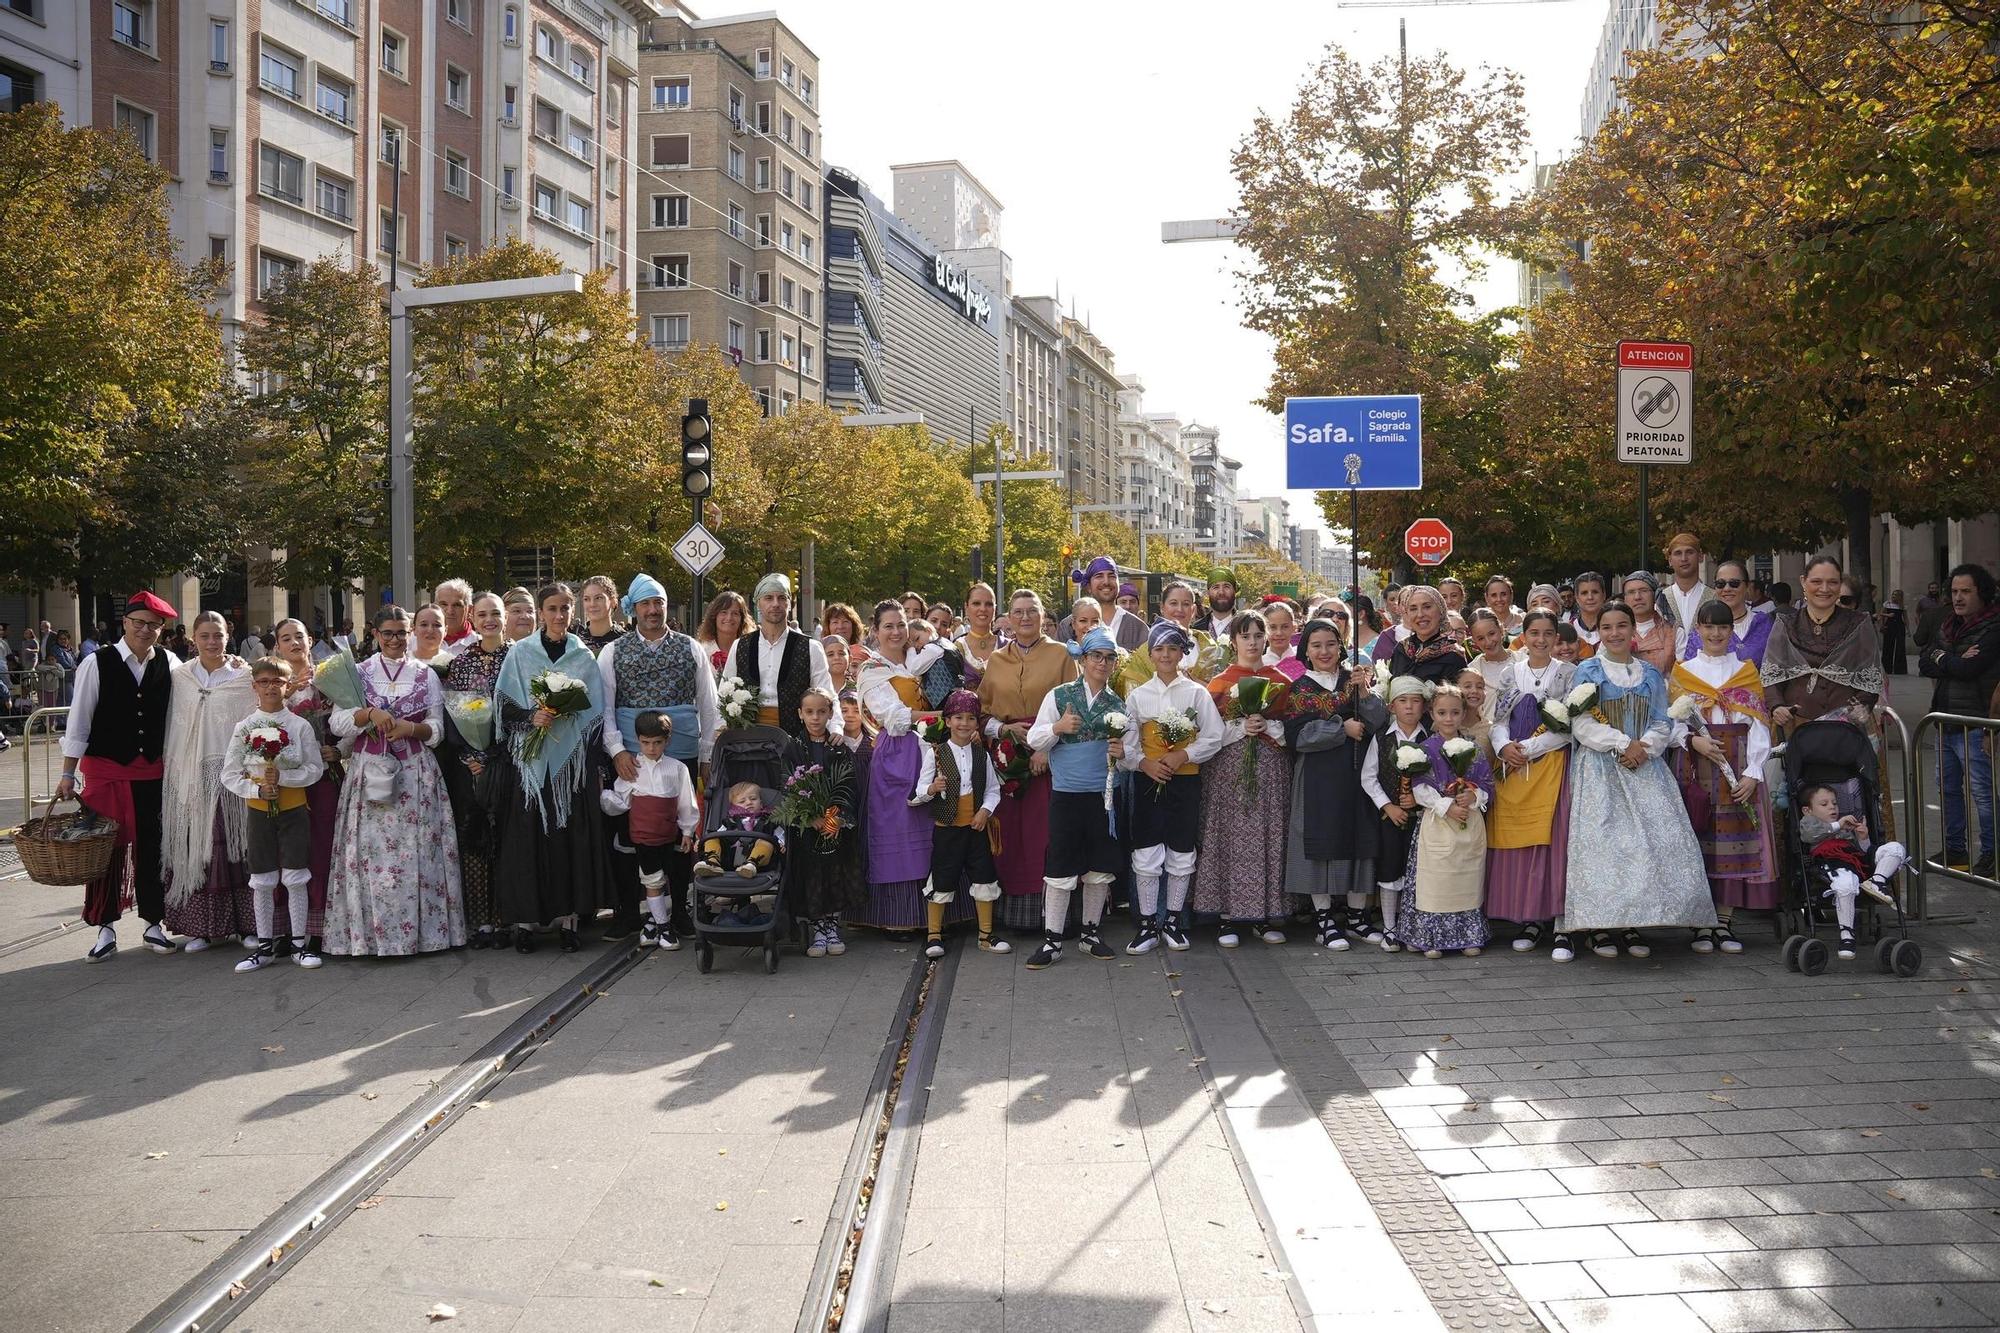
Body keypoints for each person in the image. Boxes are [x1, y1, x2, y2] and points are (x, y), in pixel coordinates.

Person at [1561, 601, 1716, 959]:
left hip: (1644, 764)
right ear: (1598, 632)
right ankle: (1600, 925)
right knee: (1606, 845)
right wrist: (1620, 743)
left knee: (1648, 843)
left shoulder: (1648, 674)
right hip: (1602, 767)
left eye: (1621, 626)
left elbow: (1663, 721)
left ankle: (1632, 922)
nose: (1614, 633)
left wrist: (1644, 747)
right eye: (1607, 627)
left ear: (1633, 631)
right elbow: (1580, 723)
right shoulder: (1588, 671)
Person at [323, 606, 464, 956]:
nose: (395, 640)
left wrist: (411, 728)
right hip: (369, 769)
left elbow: (437, 730)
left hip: (416, 772)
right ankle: (370, 937)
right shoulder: (358, 673)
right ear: (375, 634)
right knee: (370, 857)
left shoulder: (424, 674)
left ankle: (423, 935)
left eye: (402, 633)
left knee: (418, 853)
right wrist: (368, 713)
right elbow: (338, 724)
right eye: (388, 633)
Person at [58, 592, 181, 962]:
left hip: (152, 771)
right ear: (124, 623)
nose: (146, 630)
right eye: (139, 623)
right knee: (106, 851)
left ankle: (153, 924)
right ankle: (105, 928)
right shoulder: (96, 663)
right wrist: (67, 772)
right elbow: (79, 720)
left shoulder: (172, 663)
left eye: (154, 625)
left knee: (152, 847)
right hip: (106, 770)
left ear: (162, 629)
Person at [598, 573, 719, 938]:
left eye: (659, 603)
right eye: (645, 604)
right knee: (629, 835)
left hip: (678, 750)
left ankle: (678, 908)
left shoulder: (690, 648)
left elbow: (708, 703)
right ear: (633, 609)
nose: (653, 610)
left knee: (679, 832)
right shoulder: (614, 651)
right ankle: (627, 911)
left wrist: (707, 753)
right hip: (633, 756)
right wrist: (617, 750)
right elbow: (605, 706)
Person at [494, 584, 610, 953]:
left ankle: (569, 921)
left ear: (572, 611)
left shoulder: (583, 656)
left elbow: (596, 714)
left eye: (565, 608)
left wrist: (568, 718)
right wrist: (532, 716)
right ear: (541, 612)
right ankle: (526, 924)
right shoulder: (521, 653)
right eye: (552, 609)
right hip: (530, 765)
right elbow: (504, 705)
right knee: (528, 839)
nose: (559, 616)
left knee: (568, 840)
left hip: (569, 767)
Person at [1671, 599, 1780, 954]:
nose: (1715, 633)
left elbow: (1760, 726)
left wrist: (1753, 771)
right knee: (1699, 839)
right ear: (1697, 630)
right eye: (1708, 626)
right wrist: (1693, 740)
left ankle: (1724, 921)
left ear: (1731, 631)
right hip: (1697, 765)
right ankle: (1701, 923)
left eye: (1722, 627)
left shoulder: (1746, 671)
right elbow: (1670, 725)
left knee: (1734, 844)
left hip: (1738, 761)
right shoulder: (1683, 672)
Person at [1119, 621, 1227, 954]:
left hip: (1185, 780)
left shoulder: (1196, 693)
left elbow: (1215, 735)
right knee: (1147, 852)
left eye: (1172, 648)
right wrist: (1143, 763)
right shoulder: (1138, 696)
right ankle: (1148, 923)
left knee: (1181, 851)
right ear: (1150, 654)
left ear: (1183, 653)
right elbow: (1127, 743)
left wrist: (1184, 754)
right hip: (1148, 780)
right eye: (1159, 649)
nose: (1166, 655)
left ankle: (1174, 921)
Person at [1022, 627, 1127, 969]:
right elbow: (1036, 740)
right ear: (1083, 660)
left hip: (1103, 797)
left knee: (1099, 866)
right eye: (1096, 656)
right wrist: (1057, 728)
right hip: (1066, 795)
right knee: (1061, 865)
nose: (1103, 663)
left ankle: (1090, 934)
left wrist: (1122, 751)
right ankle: (1052, 940)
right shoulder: (1059, 696)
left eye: (1109, 657)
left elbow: (1131, 754)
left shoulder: (1118, 704)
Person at [1191, 609, 1293, 947]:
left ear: (1266, 639)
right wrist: (1239, 727)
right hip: (1230, 769)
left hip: (1271, 767)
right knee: (1229, 835)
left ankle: (1265, 914)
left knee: (1269, 834)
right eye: (1245, 635)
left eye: (1257, 635)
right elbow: (1206, 731)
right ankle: (1226, 916)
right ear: (1233, 641)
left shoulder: (1281, 678)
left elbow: (1294, 725)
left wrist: (1271, 726)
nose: (1252, 642)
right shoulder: (1219, 682)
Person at [977, 589, 1077, 931]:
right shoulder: (996, 659)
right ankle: (1014, 915)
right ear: (1007, 616)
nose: (1024, 618)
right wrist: (1005, 730)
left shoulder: (1061, 655)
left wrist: (1045, 747)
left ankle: (1054, 917)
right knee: (1012, 836)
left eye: (1031, 611)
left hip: (1049, 758)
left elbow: (1073, 709)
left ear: (1042, 615)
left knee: (1045, 836)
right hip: (1008, 763)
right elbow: (983, 712)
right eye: (1017, 611)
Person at [160, 611, 260, 951]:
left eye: (218, 635)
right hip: (190, 778)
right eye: (205, 636)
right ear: (193, 638)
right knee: (198, 850)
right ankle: (201, 928)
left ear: (228, 635)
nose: (212, 642)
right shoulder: (181, 677)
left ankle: (246, 925)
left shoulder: (244, 677)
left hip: (232, 779)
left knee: (236, 848)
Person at [1283, 618, 1384, 950]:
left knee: (1358, 838)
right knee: (1319, 843)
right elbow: (1298, 737)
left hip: (1356, 775)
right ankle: (1324, 918)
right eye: (1316, 645)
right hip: (1317, 778)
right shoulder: (1300, 688)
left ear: (1341, 647)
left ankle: (1356, 916)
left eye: (1331, 644)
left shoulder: (1353, 680)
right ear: (1306, 651)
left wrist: (1364, 692)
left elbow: (1378, 721)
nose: (1324, 651)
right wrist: (1342, 730)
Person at [223, 658, 327, 972]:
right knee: (263, 878)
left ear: (287, 685)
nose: (271, 687)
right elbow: (229, 774)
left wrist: (283, 779)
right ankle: (264, 947)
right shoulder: (245, 727)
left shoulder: (299, 725)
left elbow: (314, 768)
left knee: (296, 874)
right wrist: (256, 791)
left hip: (294, 807)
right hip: (258, 811)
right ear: (254, 686)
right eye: (264, 682)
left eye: (277, 682)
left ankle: (299, 945)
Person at [856, 601, 951, 934]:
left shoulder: (918, 661)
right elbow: (893, 720)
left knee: (935, 827)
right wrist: (940, 718)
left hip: (932, 747)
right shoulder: (872, 670)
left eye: (901, 625)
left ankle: (940, 913)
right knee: (899, 825)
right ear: (875, 630)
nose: (896, 632)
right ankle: (900, 915)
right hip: (897, 753)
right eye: (888, 626)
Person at [1487, 610, 1578, 961]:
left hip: (1553, 764)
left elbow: (1571, 727)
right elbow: (1499, 719)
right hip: (1516, 766)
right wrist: (1503, 747)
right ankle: (1532, 918)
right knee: (1523, 843)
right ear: (1523, 636)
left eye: (1548, 634)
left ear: (1557, 638)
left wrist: (1532, 747)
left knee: (1554, 844)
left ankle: (1561, 922)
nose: (1541, 640)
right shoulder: (1512, 671)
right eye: (1534, 633)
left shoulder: (1568, 673)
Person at [1393, 684, 1493, 958]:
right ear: (1432, 714)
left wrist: (1474, 796)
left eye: (1454, 712)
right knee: (1437, 882)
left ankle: (1467, 934)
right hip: (1438, 823)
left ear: (1463, 714)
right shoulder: (1425, 749)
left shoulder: (1473, 748)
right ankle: (1430, 936)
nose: (1448, 718)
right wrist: (1446, 805)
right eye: (1442, 712)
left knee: (1466, 879)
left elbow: (1487, 782)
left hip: (1468, 821)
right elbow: (1420, 787)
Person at [911, 689, 1007, 958]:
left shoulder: (982, 755)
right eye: (958, 718)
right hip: (947, 830)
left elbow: (992, 790)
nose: (964, 724)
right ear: (948, 721)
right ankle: (933, 936)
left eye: (970, 718)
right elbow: (919, 790)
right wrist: (932, 788)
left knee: (985, 876)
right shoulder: (936, 753)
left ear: (977, 723)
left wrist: (984, 812)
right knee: (942, 878)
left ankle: (986, 936)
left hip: (975, 828)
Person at [1918, 563, 2000, 875]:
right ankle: (1955, 850)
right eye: (1954, 591)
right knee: (1947, 788)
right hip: (1945, 719)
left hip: (1977, 722)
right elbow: (1925, 662)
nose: (1958, 597)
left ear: (1982, 592)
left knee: (1982, 791)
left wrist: (1942, 659)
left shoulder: (1993, 627)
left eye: (1966, 591)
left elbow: (1972, 669)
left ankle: (1992, 853)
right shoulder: (1949, 625)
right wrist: (1947, 659)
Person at [439, 592, 510, 949]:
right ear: (472, 617)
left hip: (509, 761)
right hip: (471, 766)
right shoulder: (462, 661)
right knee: (476, 841)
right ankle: (481, 921)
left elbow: (521, 711)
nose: (489, 620)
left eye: (495, 613)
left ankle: (507, 917)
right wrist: (471, 756)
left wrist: (498, 754)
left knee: (506, 840)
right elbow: (453, 713)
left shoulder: (518, 657)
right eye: (482, 614)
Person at [598, 709, 699, 949]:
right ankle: (662, 927)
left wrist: (687, 831)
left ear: (667, 741)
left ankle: (655, 921)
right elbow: (621, 801)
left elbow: (687, 801)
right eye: (645, 743)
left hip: (668, 833)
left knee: (670, 873)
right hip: (643, 836)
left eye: (657, 742)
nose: (651, 748)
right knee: (652, 879)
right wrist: (602, 795)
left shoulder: (677, 769)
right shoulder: (633, 768)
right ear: (638, 740)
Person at [782, 687, 868, 957]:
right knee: (813, 874)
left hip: (835, 824)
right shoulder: (793, 746)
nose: (815, 718)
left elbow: (848, 783)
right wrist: (810, 816)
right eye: (809, 712)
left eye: (821, 711)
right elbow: (787, 784)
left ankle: (832, 924)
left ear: (831, 713)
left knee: (835, 872)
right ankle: (818, 926)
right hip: (809, 827)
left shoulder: (837, 747)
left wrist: (836, 816)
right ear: (800, 714)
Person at [1764, 555, 1884, 732]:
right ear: (1803, 582)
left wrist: (1859, 708)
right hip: (1795, 724)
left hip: (1846, 725)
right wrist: (1777, 706)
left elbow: (1870, 676)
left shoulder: (1859, 624)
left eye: (1832, 582)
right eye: (1816, 581)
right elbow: (1773, 674)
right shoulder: (1786, 624)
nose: (1824, 589)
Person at [1798, 783, 1907, 959]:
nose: (1832, 807)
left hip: (1857, 862)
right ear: (1807, 810)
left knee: (1896, 849)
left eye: (1834, 803)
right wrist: (1837, 825)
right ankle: (1846, 935)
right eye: (1824, 804)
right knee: (1846, 882)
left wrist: (1863, 838)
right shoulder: (1809, 823)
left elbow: (1863, 854)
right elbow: (1809, 836)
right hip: (1833, 863)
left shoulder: (1845, 827)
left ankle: (1877, 882)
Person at [1363, 677, 1431, 950]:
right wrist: (1387, 806)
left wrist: (1419, 799)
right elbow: (1369, 777)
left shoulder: (1431, 738)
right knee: (1390, 868)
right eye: (1403, 701)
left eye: (1415, 701)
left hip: (1422, 818)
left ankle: (1411, 926)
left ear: (1424, 707)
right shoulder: (1382, 738)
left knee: (1416, 871)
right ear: (1391, 706)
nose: (1409, 707)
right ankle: (1389, 926)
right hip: (1390, 818)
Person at [726, 574, 834, 736]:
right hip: (747, 740)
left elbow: (827, 693)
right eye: (768, 598)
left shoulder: (811, 647)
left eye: (782, 598)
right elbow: (724, 691)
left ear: (789, 604)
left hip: (795, 739)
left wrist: (835, 729)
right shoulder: (740, 645)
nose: (775, 604)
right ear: (758, 604)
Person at [1679, 559, 1773, 666]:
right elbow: (1689, 673)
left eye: (1734, 583)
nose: (1727, 589)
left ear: (1747, 586)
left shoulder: (1765, 625)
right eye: (1720, 584)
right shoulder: (1700, 631)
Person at [1386, 585, 1467, 688]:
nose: (1420, 614)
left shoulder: (1453, 655)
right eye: (1413, 609)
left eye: (1427, 607)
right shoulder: (1401, 649)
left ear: (1441, 610)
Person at [1061, 556, 1146, 650]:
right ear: (1089, 586)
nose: (1106, 582)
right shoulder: (1067, 625)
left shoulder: (1137, 627)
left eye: (1111, 576)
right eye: (1099, 576)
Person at [697, 781, 780, 877]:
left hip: (759, 864)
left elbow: (780, 835)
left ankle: (751, 864)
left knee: (767, 842)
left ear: (761, 804)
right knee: (712, 838)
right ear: (733, 806)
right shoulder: (729, 821)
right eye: (742, 801)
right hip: (728, 858)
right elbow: (718, 835)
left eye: (753, 799)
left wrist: (782, 843)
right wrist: (702, 842)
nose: (749, 802)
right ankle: (712, 862)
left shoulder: (769, 821)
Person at [1623, 571, 1683, 673]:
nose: (1637, 597)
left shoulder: (1675, 632)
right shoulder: (1615, 631)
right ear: (1625, 599)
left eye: (1644, 590)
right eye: (1631, 592)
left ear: (1655, 595)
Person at [954, 583, 1002, 677]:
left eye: (989, 604)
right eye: (976, 603)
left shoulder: (1008, 647)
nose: (983, 609)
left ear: (994, 609)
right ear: (966, 607)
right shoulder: (955, 649)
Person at [1664, 532, 1709, 630]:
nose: (1684, 559)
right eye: (1678, 553)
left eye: (1689, 552)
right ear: (1670, 560)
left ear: (1700, 556)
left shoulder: (1714, 597)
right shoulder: (1661, 599)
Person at [1466, 609, 1515, 691]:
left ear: (1501, 630)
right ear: (1474, 641)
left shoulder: (1523, 660)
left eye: (1491, 634)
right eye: (1481, 638)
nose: (1488, 642)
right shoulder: (1473, 671)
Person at [577, 574, 626, 654]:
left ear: (613, 602)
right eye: (586, 599)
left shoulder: (626, 642)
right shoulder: (576, 643)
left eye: (598, 598)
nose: (592, 604)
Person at [1566, 572, 1609, 658]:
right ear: (1577, 598)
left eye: (1595, 592)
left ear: (1604, 595)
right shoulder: (1567, 630)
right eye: (1584, 593)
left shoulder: (1617, 629)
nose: (1590, 597)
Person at [436, 578, 478, 652]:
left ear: (469, 610)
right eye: (444, 604)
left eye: (457, 605)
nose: (450, 611)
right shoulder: (416, 641)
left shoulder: (479, 645)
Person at [411, 603, 452, 668]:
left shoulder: (453, 664)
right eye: (424, 625)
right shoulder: (402, 662)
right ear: (414, 629)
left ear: (445, 630)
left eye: (437, 625)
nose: (430, 630)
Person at [1201, 569, 1238, 639]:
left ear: (1234, 590)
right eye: (1216, 587)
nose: (1221, 592)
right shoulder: (1196, 628)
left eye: (1226, 587)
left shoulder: (1247, 626)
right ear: (1208, 592)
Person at [1879, 590, 1909, 675]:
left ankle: (1900, 669)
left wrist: (1908, 629)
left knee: (1900, 647)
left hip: (1900, 626)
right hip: (1889, 625)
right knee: (1888, 646)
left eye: (1896, 595)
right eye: (1893, 594)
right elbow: (1880, 614)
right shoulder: (1887, 604)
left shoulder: (1902, 606)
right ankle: (1887, 668)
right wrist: (1887, 617)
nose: (1893, 596)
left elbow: (1906, 618)